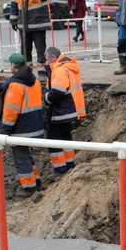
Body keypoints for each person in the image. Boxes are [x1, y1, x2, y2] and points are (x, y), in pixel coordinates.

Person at [0, 53, 45, 201]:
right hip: (35, 125)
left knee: (21, 158)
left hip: (21, 129)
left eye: (10, 64)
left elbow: (10, 112)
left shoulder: (15, 85)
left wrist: (3, 132)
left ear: (13, 65)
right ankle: (36, 181)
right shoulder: (35, 81)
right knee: (26, 156)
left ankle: (28, 188)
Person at [43, 47, 85, 181]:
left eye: (47, 60)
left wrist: (47, 98)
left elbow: (58, 92)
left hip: (61, 111)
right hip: (69, 110)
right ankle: (69, 164)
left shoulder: (60, 70)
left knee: (53, 139)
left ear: (53, 58)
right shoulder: (68, 66)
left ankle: (60, 170)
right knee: (66, 137)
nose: (47, 62)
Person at [8, 0, 50, 65]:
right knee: (25, 52)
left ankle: (42, 73)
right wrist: (13, 20)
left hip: (38, 24)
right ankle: (27, 72)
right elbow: (14, 3)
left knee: (41, 51)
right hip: (24, 24)